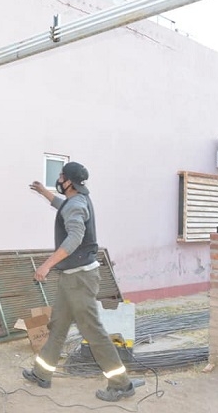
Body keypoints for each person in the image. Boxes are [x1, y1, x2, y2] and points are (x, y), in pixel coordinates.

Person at [23, 162, 139, 402]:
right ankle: (42, 373)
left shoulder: (76, 204)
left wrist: (46, 265)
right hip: (71, 278)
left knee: (92, 331)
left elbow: (75, 236)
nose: (58, 179)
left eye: (61, 176)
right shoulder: (76, 200)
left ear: (69, 182)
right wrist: (44, 193)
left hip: (80, 279)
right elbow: (63, 206)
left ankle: (121, 384)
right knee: (58, 326)